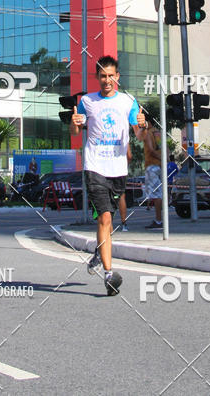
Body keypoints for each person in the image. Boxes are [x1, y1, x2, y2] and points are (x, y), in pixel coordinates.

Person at [71, 55, 147, 296]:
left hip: (118, 170)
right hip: (95, 167)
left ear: (117, 77)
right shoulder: (87, 101)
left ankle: (98, 252)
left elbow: (141, 136)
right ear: (97, 77)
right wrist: (73, 123)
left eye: (111, 76)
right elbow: (76, 130)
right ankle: (109, 274)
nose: (107, 80)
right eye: (102, 76)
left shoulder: (128, 101)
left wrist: (143, 125)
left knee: (107, 221)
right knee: (104, 217)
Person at [143, 116, 163, 229]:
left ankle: (158, 220)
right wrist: (165, 159)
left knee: (156, 195)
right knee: (159, 193)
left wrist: (159, 158)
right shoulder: (157, 133)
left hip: (152, 165)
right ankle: (159, 219)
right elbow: (163, 147)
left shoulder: (147, 133)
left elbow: (150, 150)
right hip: (160, 166)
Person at [117, 143, 132, 232]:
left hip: (104, 170)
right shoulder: (123, 135)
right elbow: (129, 156)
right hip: (119, 170)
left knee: (106, 196)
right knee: (121, 196)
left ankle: (106, 223)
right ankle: (124, 223)